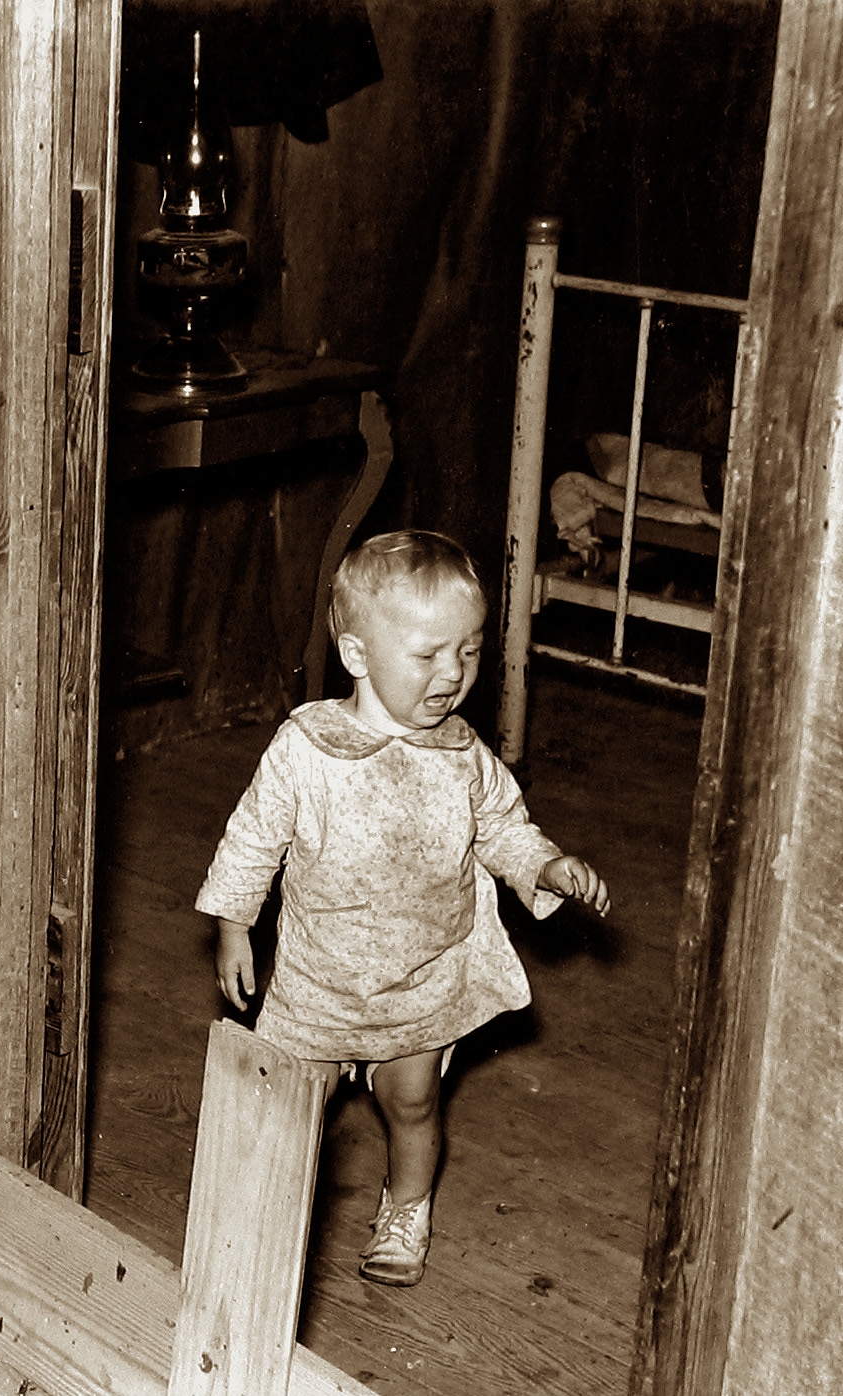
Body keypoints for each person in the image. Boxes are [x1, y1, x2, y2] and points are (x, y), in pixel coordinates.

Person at [194, 529, 610, 1286]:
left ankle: (407, 1206)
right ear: (357, 655)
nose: (453, 673)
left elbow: (504, 830)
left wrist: (546, 866)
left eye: (471, 650)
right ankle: (265, 1221)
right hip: (320, 977)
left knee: (411, 1102)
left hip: (422, 978)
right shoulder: (306, 749)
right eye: (429, 655)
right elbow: (251, 840)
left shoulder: (463, 757)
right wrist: (233, 928)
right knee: (287, 1108)